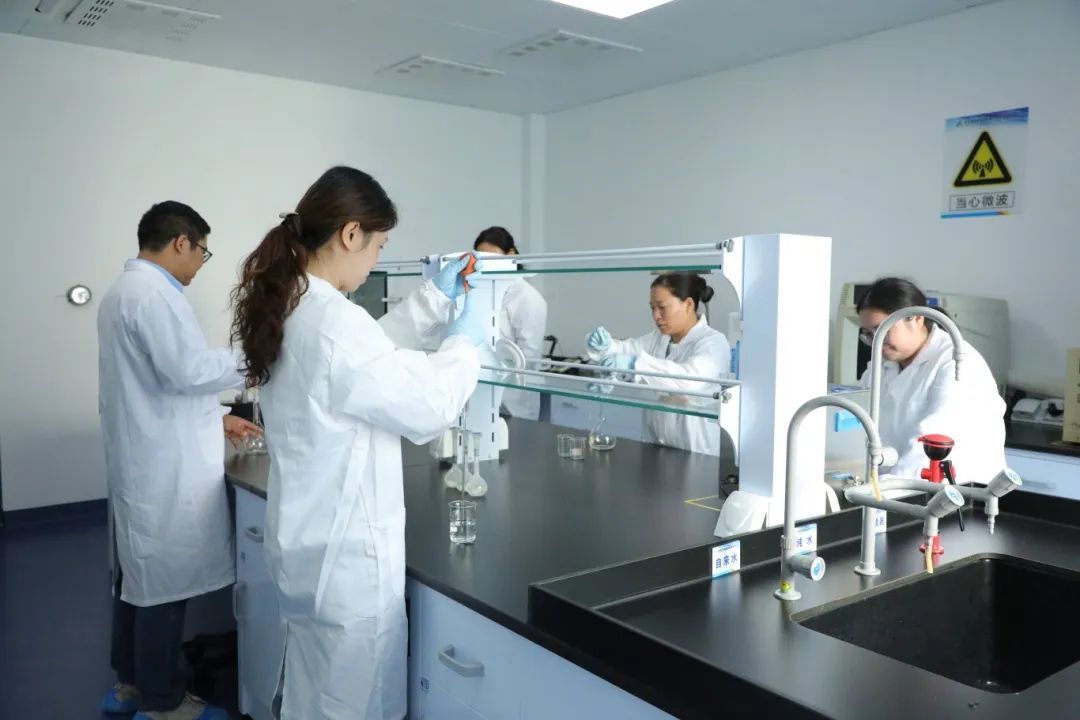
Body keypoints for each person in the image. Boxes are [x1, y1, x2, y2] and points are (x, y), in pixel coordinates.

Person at [229, 166, 483, 720]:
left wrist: (432, 302)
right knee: (349, 704)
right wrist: (466, 346)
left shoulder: (297, 306)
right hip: (347, 562)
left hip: (306, 544)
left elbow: (365, 362)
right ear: (351, 234)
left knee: (314, 696)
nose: (374, 260)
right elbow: (427, 406)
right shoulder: (334, 323)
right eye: (379, 245)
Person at [98, 201, 260, 720]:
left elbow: (156, 383)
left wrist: (219, 417)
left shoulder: (125, 292)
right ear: (181, 242)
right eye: (202, 253)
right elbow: (187, 371)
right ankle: (164, 702)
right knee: (164, 587)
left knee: (139, 579)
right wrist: (257, 355)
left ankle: (129, 683)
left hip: (147, 456)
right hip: (163, 469)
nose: (198, 266)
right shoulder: (153, 296)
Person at [856, 277, 1006, 484]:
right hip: (894, 485)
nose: (877, 340)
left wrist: (880, 490)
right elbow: (858, 420)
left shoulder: (956, 363)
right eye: (869, 334)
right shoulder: (882, 363)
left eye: (883, 330)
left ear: (917, 319)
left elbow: (930, 442)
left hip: (954, 491)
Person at [585, 272, 730, 455]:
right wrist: (605, 345)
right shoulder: (658, 339)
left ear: (688, 305)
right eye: (652, 308)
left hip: (695, 454)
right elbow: (625, 350)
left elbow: (690, 380)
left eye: (662, 307)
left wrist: (634, 365)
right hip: (654, 447)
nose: (656, 316)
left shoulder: (713, 343)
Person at [473, 226, 548, 420]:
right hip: (482, 393)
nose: (487, 266)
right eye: (481, 260)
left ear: (511, 255)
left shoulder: (528, 298)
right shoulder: (483, 292)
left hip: (514, 401)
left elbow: (529, 358)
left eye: (493, 259)